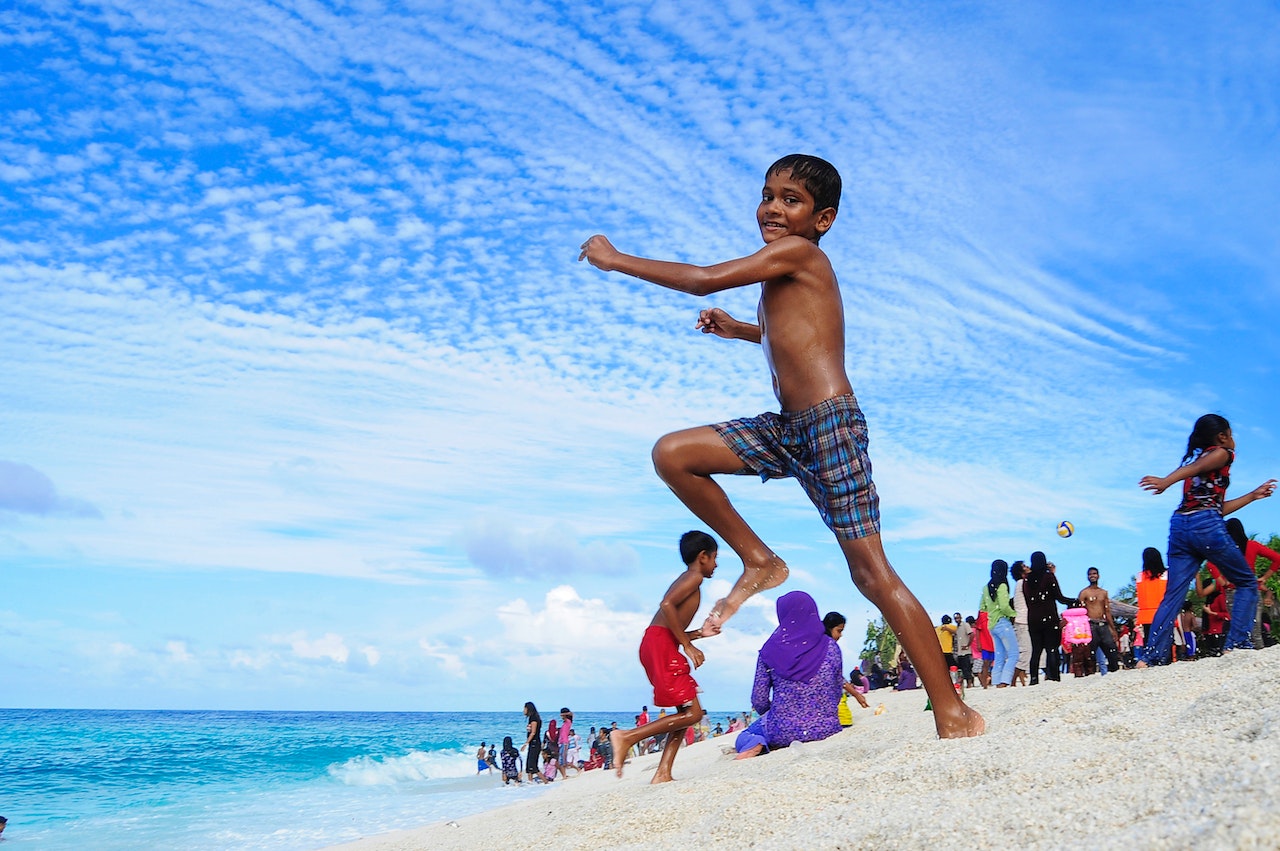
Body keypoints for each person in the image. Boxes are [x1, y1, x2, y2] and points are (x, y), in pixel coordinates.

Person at [579, 154, 983, 739]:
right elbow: (792, 335)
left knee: (870, 573)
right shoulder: (781, 272)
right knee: (673, 453)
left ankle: (952, 710)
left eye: (790, 199)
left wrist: (615, 260)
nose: (772, 207)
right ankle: (758, 559)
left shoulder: (801, 253)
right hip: (787, 430)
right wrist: (740, 330)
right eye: (767, 194)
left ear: (823, 219)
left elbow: (702, 277)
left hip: (829, 427)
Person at [1138, 414, 1276, 664]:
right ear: (1222, 436)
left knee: (1173, 596)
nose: (1233, 440)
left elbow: (1217, 507)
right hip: (1205, 527)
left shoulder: (1198, 463)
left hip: (1181, 526)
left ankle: (1151, 657)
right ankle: (1237, 644)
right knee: (1246, 582)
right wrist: (1166, 481)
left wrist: (1252, 496)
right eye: (1230, 434)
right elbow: (1202, 494)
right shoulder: (1222, 453)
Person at [608, 530, 716, 783]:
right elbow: (666, 605)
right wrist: (688, 648)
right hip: (660, 645)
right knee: (694, 714)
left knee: (684, 710)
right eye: (714, 558)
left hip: (658, 643)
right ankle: (627, 737)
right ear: (703, 556)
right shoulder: (694, 577)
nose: (716, 564)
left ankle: (663, 772)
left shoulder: (689, 578)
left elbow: (668, 629)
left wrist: (700, 633)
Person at [735, 591, 847, 758]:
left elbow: (759, 699)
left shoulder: (770, 650)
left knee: (744, 736)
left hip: (782, 730)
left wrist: (779, 712)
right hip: (827, 728)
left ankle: (756, 743)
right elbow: (837, 690)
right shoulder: (832, 647)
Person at [1023, 552, 1077, 683]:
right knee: (1051, 648)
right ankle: (1054, 676)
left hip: (1033, 619)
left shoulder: (1026, 581)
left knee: (1036, 650)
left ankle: (1034, 679)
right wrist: (1073, 601)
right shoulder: (1048, 577)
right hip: (1049, 617)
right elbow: (1060, 597)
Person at [823, 610, 869, 726]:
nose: (841, 635)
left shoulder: (819, 645)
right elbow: (838, 678)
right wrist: (856, 694)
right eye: (839, 631)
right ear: (829, 628)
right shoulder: (830, 647)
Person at [979, 560, 1018, 688]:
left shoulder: (986, 587)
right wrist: (1014, 614)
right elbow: (1004, 606)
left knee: (999, 655)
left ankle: (996, 681)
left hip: (992, 624)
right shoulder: (1002, 586)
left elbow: (983, 607)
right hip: (1002, 622)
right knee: (1013, 654)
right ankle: (1005, 681)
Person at [1078, 567, 1120, 673]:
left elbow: (1107, 611)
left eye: (1094, 573)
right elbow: (1081, 612)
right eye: (1090, 574)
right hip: (1090, 625)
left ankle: (1113, 673)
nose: (1092, 575)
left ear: (1098, 576)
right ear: (1087, 577)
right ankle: (1089, 675)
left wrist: (1113, 629)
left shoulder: (1103, 593)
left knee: (1112, 651)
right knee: (1090, 654)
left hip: (1103, 624)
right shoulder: (1084, 593)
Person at [1011, 561, 1032, 686]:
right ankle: (1013, 680)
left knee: (1027, 650)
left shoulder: (1022, 583)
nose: (1028, 567)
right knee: (1026, 651)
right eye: (1024, 566)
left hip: (1024, 620)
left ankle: (1018, 679)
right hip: (1022, 621)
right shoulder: (1021, 583)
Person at [521, 702, 543, 784]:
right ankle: (530, 781)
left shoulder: (534, 718)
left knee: (533, 765)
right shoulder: (532, 718)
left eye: (524, 708)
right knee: (529, 764)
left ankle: (545, 781)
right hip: (533, 743)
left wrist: (526, 743)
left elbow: (533, 732)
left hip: (535, 742)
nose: (523, 710)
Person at [953, 611, 974, 688]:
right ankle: (966, 683)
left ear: (961, 617)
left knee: (967, 668)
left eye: (958, 618)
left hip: (965, 651)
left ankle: (969, 683)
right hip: (959, 652)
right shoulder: (957, 627)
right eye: (955, 618)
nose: (957, 619)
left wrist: (967, 645)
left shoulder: (965, 625)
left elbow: (972, 634)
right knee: (962, 669)